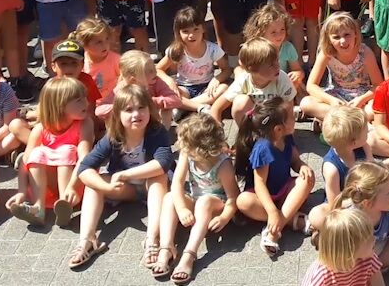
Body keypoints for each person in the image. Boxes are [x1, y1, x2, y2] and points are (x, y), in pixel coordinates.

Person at [70, 86, 173, 269]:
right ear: (118, 115)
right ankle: (87, 240)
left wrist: (125, 174)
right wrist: (106, 188)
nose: (136, 114)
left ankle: (152, 239)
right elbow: (85, 167)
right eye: (129, 110)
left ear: (149, 110)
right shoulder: (113, 137)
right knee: (94, 184)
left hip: (154, 187)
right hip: (128, 189)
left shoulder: (157, 132)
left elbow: (163, 163)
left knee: (158, 178)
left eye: (141, 108)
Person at [157, 114, 240, 281]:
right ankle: (166, 247)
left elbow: (233, 197)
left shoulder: (223, 164)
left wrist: (224, 217)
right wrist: (181, 209)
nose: (182, 147)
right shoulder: (187, 154)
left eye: (186, 145)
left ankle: (189, 254)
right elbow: (177, 183)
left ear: (201, 149)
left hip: (216, 205)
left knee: (204, 202)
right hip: (196, 200)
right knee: (169, 198)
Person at [6, 76, 92, 227]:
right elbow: (25, 162)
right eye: (79, 100)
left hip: (76, 184)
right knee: (36, 153)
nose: (86, 103)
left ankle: (65, 204)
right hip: (47, 187)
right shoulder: (40, 129)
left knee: (66, 150)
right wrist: (21, 191)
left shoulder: (85, 124)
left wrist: (72, 187)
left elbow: (84, 159)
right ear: (60, 105)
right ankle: (38, 209)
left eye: (85, 98)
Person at [235, 97, 315, 257]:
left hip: (283, 190)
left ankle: (275, 228)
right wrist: (272, 211)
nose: (295, 118)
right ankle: (291, 221)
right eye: (292, 117)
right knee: (243, 201)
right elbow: (260, 185)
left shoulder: (287, 137)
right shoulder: (263, 148)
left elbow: (295, 161)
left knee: (307, 178)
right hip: (262, 199)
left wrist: (302, 166)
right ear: (278, 129)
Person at [300, 13, 381, 121]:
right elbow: (311, 86)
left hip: (361, 95)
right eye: (336, 37)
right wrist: (331, 100)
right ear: (328, 39)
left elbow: (378, 85)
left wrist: (362, 99)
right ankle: (352, 120)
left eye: (347, 35)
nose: (343, 41)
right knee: (306, 103)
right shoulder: (326, 53)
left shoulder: (364, 52)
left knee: (374, 108)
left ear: (355, 34)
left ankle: (334, 119)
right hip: (336, 94)